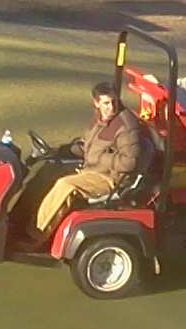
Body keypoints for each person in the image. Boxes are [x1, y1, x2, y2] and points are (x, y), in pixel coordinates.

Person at [32, 81, 141, 237]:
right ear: (96, 103)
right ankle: (19, 221)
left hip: (110, 178)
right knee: (47, 171)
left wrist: (101, 158)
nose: (111, 107)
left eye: (114, 102)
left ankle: (38, 234)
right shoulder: (97, 120)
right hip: (89, 169)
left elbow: (129, 162)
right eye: (106, 103)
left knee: (66, 185)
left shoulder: (126, 126)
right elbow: (85, 147)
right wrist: (59, 151)